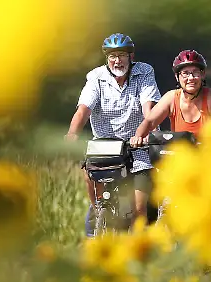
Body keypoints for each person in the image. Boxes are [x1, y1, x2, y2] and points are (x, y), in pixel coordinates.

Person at [65, 33, 161, 237]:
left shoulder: (144, 72)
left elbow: (149, 108)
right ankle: (98, 214)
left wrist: (150, 132)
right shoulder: (96, 77)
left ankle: (139, 244)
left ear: (131, 56)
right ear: (107, 58)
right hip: (105, 147)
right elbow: (83, 110)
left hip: (137, 145)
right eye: (112, 56)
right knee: (88, 173)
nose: (117, 61)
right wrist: (72, 134)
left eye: (122, 55)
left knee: (140, 209)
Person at [131, 50, 211, 146]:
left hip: (208, 153)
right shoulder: (171, 98)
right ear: (177, 77)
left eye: (195, 72)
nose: (191, 78)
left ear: (202, 75)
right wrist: (138, 137)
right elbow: (150, 121)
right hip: (180, 154)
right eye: (185, 73)